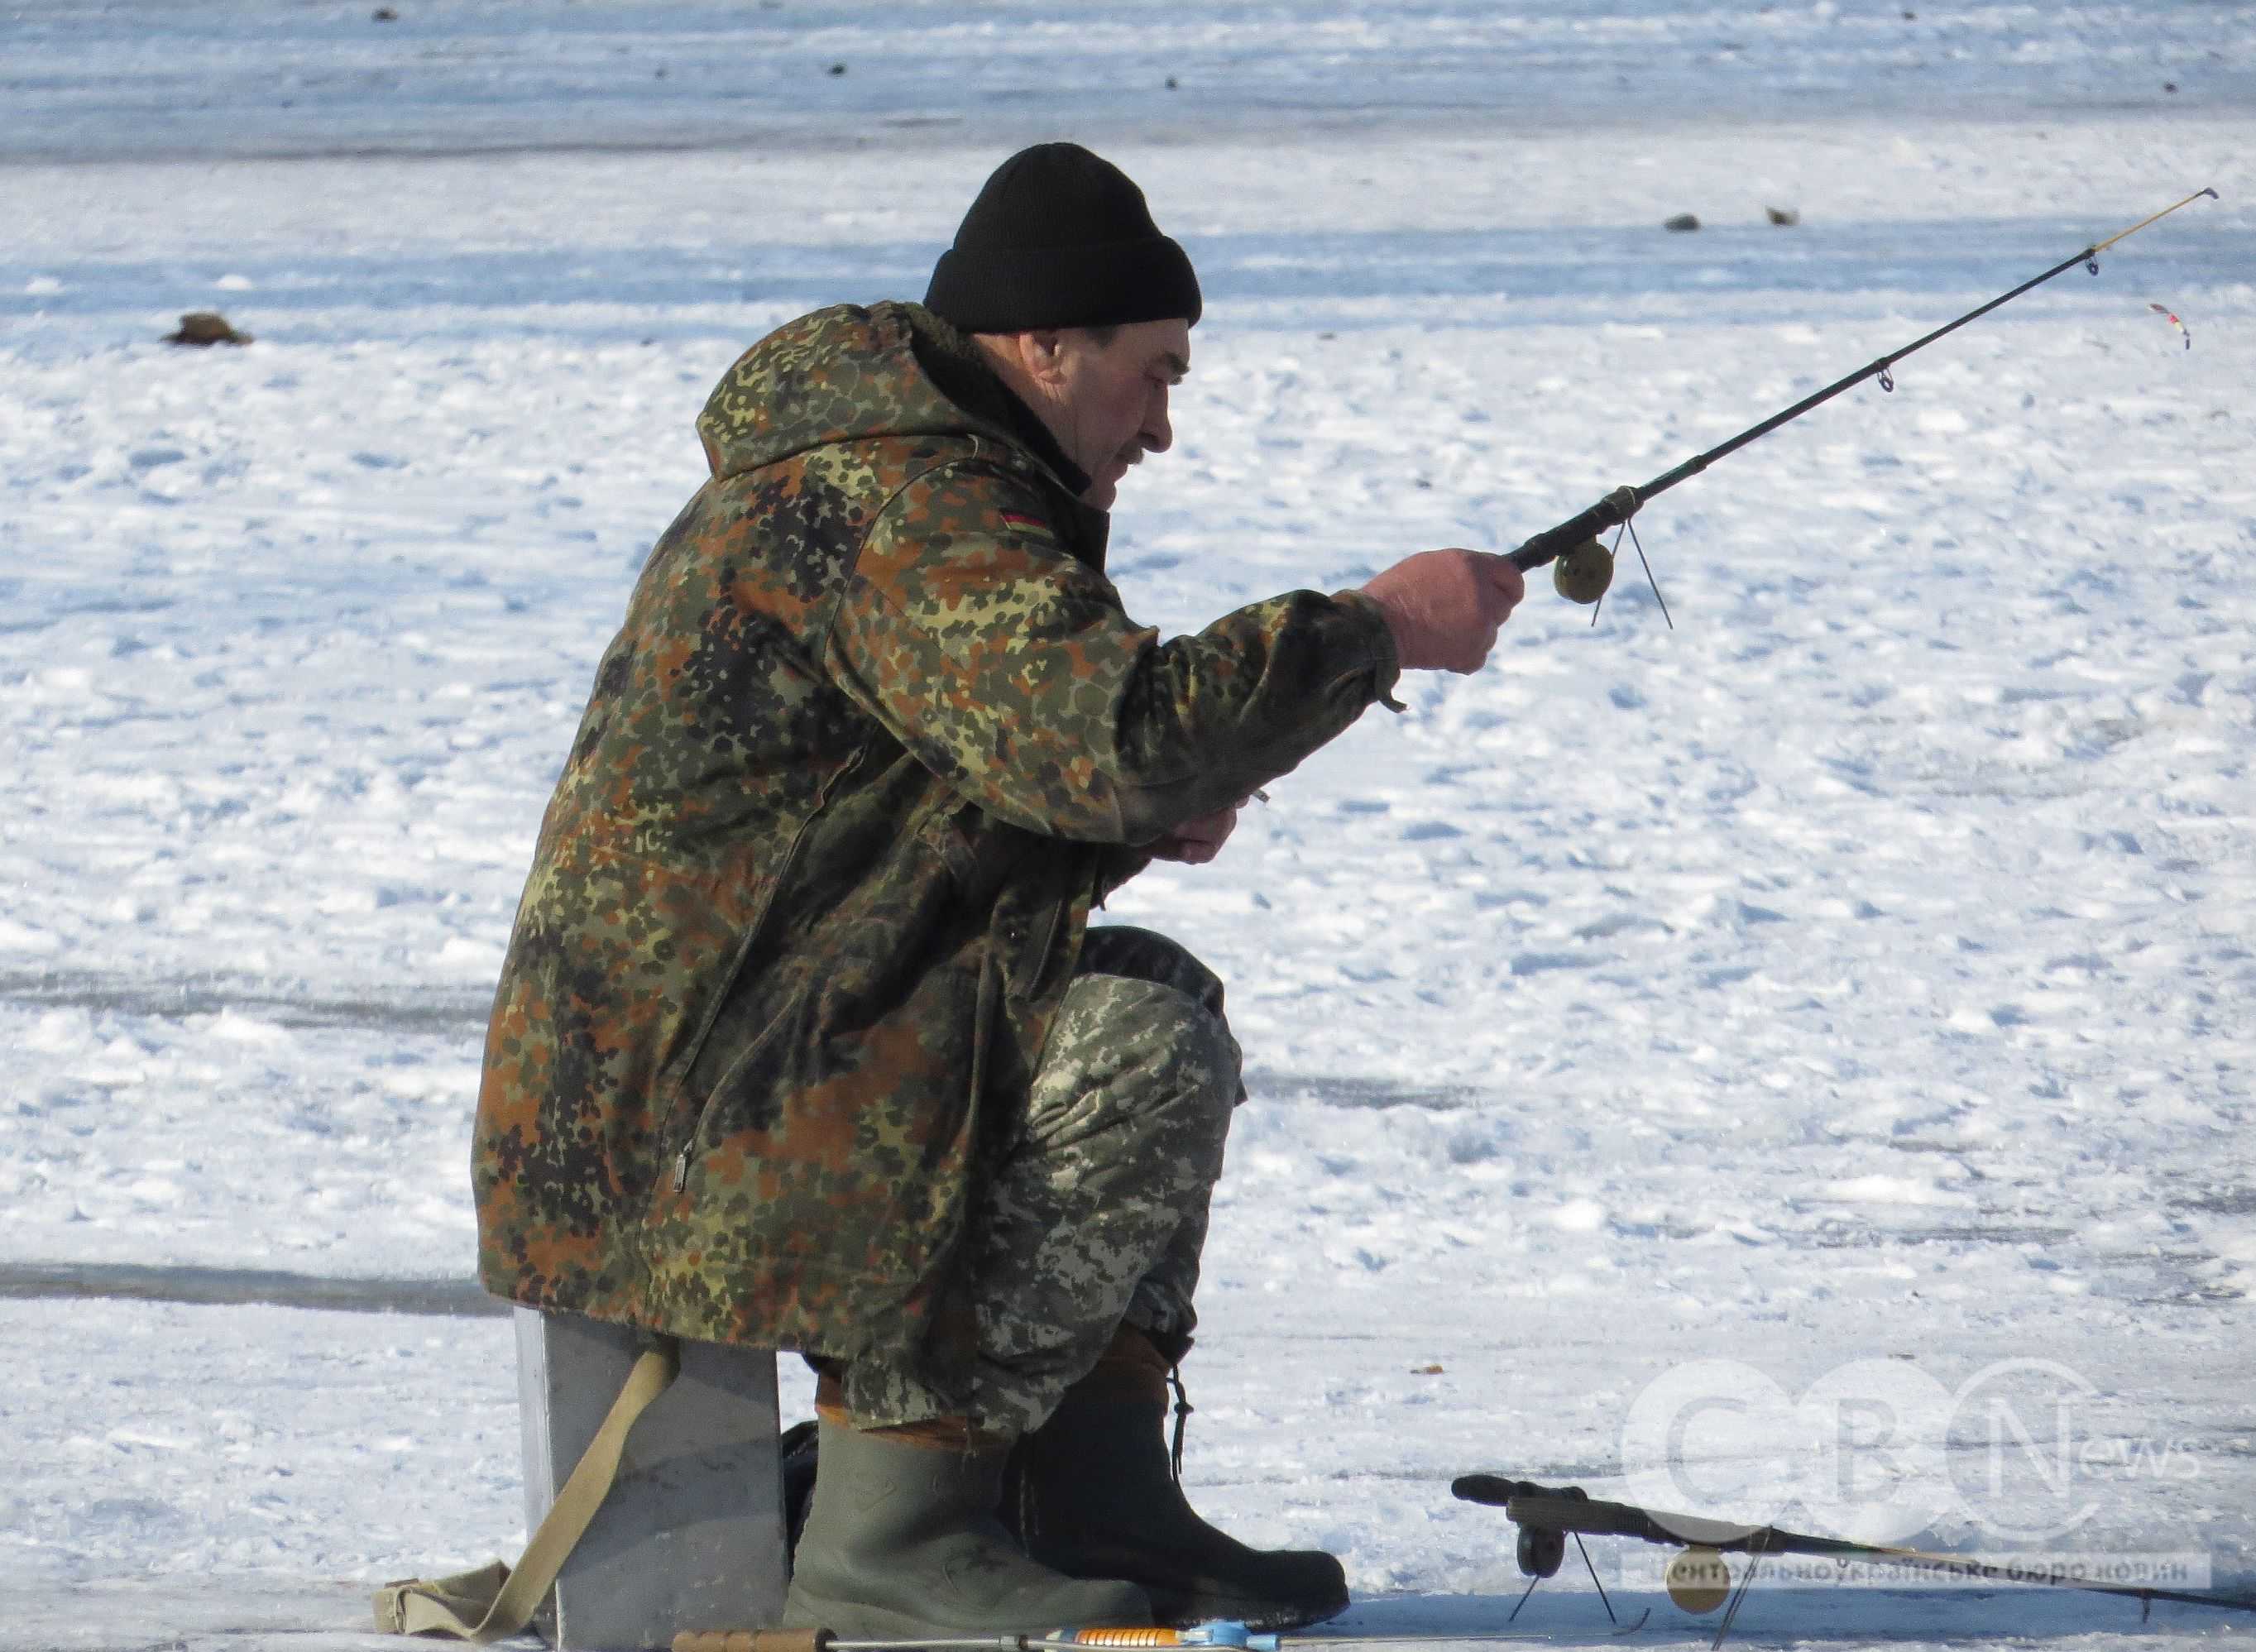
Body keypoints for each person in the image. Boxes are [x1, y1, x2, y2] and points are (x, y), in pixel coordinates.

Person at [471, 142, 1525, 1641]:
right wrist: (1373, 627)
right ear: (1045, 348)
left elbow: (915, 810)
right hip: (670, 1131)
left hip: (726, 1072)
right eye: (1151, 375)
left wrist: (1118, 829)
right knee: (1128, 1054)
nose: (1163, 425)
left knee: (1150, 991)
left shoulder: (915, 473)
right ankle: (890, 1530)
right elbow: (1115, 737)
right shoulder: (904, 499)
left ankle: (1088, 1495)